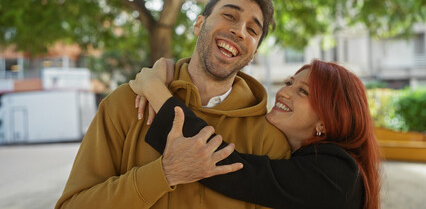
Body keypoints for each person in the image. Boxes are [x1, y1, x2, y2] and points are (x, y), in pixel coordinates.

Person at [55, 0, 291, 209]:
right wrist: (164, 174)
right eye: (230, 16)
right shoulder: (124, 104)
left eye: (252, 30)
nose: (238, 31)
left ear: (252, 55)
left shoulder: (268, 139)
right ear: (199, 24)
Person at [129, 59, 381, 209]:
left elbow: (230, 168)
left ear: (326, 121)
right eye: (289, 83)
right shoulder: (313, 162)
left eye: (303, 92)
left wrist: (155, 90)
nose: (285, 92)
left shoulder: (337, 173)